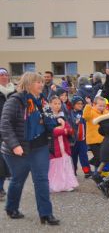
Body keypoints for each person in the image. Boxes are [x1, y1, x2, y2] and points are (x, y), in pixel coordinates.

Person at [0, 72, 60, 225]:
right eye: (37, 82)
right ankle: (11, 207)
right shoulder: (16, 100)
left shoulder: (43, 101)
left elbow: (50, 123)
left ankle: (46, 214)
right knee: (18, 179)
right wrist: (15, 145)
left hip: (39, 146)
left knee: (41, 180)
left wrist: (50, 119)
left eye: (41, 82)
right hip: (18, 149)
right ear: (27, 83)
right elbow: (5, 125)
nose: (41, 84)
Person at [45, 96, 78, 193]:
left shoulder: (62, 116)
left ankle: (67, 184)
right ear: (50, 104)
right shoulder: (48, 117)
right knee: (55, 167)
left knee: (65, 165)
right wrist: (64, 129)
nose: (57, 105)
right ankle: (56, 185)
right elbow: (53, 132)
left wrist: (63, 129)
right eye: (55, 103)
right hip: (54, 146)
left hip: (64, 145)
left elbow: (70, 130)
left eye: (59, 103)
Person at [83, 96, 109, 181]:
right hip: (93, 140)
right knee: (99, 157)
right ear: (94, 105)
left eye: (103, 106)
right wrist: (88, 105)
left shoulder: (106, 113)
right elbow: (85, 116)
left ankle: (97, 174)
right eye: (100, 105)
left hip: (103, 139)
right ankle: (95, 171)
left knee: (103, 157)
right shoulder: (91, 112)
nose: (102, 107)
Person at [0, 67, 16, 200]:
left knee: (11, 160)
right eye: (1, 74)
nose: (4, 76)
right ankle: (0, 189)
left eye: (6, 74)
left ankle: (13, 187)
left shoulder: (14, 92)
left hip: (13, 131)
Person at [69, 96, 91, 178]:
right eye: (78, 104)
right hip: (73, 140)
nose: (80, 105)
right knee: (73, 157)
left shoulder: (83, 113)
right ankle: (73, 171)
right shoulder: (70, 113)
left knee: (83, 156)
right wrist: (75, 123)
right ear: (73, 104)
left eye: (81, 104)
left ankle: (87, 171)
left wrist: (89, 104)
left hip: (82, 140)